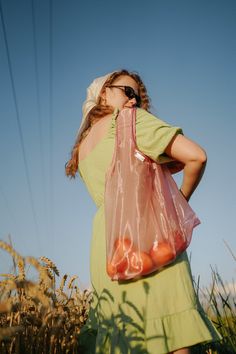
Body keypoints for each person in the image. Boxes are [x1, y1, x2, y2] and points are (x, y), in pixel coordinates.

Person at [65, 69, 221, 354]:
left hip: (106, 247)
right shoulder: (127, 122)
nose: (134, 101)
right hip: (146, 236)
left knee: (125, 338)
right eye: (129, 91)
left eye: (139, 97)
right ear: (104, 92)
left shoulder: (81, 151)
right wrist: (181, 202)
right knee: (174, 336)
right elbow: (197, 156)